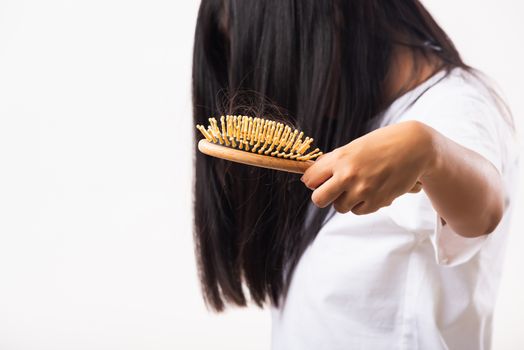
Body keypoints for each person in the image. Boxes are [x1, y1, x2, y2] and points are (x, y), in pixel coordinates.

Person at [191, 1, 520, 349]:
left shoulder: (456, 107)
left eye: (275, 60)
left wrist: (429, 151)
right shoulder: (351, 118)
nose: (271, 94)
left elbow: (483, 211)